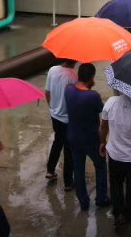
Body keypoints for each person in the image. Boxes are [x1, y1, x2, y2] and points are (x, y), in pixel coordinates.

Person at [64, 63, 109, 210]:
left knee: (78, 168)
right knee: (100, 165)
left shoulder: (68, 90)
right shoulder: (93, 96)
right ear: (91, 78)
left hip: (73, 137)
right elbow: (101, 109)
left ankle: (83, 201)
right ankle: (101, 198)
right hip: (91, 139)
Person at [100, 91, 131, 228]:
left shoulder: (111, 102)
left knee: (116, 184)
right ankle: (130, 213)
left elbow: (104, 125)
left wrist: (102, 142)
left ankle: (117, 213)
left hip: (115, 154)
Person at [44, 58, 77, 189]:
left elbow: (47, 93)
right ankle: (68, 182)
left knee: (58, 141)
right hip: (68, 119)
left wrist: (52, 108)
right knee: (69, 149)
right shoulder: (74, 76)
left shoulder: (52, 70)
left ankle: (50, 170)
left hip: (55, 116)